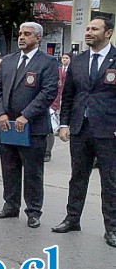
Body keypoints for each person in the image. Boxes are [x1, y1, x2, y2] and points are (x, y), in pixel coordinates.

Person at [53, 17, 116, 248]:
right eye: (87, 28)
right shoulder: (78, 61)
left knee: (111, 182)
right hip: (80, 128)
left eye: (94, 29)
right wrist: (64, 124)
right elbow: (68, 95)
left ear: (108, 33)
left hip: (109, 131)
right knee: (77, 177)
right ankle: (72, 219)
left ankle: (112, 228)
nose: (88, 32)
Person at [0, 22, 58, 228]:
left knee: (32, 172)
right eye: (20, 34)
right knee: (9, 168)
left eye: (27, 34)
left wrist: (26, 115)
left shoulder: (47, 62)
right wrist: (0, 114)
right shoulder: (9, 61)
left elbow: (48, 93)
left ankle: (34, 211)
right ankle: (10, 205)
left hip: (33, 127)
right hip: (8, 125)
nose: (21, 37)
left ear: (37, 38)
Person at [45, 53, 70, 162]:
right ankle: (45, 150)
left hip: (63, 98)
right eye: (63, 58)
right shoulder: (57, 70)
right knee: (48, 127)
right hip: (51, 100)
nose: (64, 60)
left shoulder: (71, 70)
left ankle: (48, 151)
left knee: (53, 125)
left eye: (66, 58)